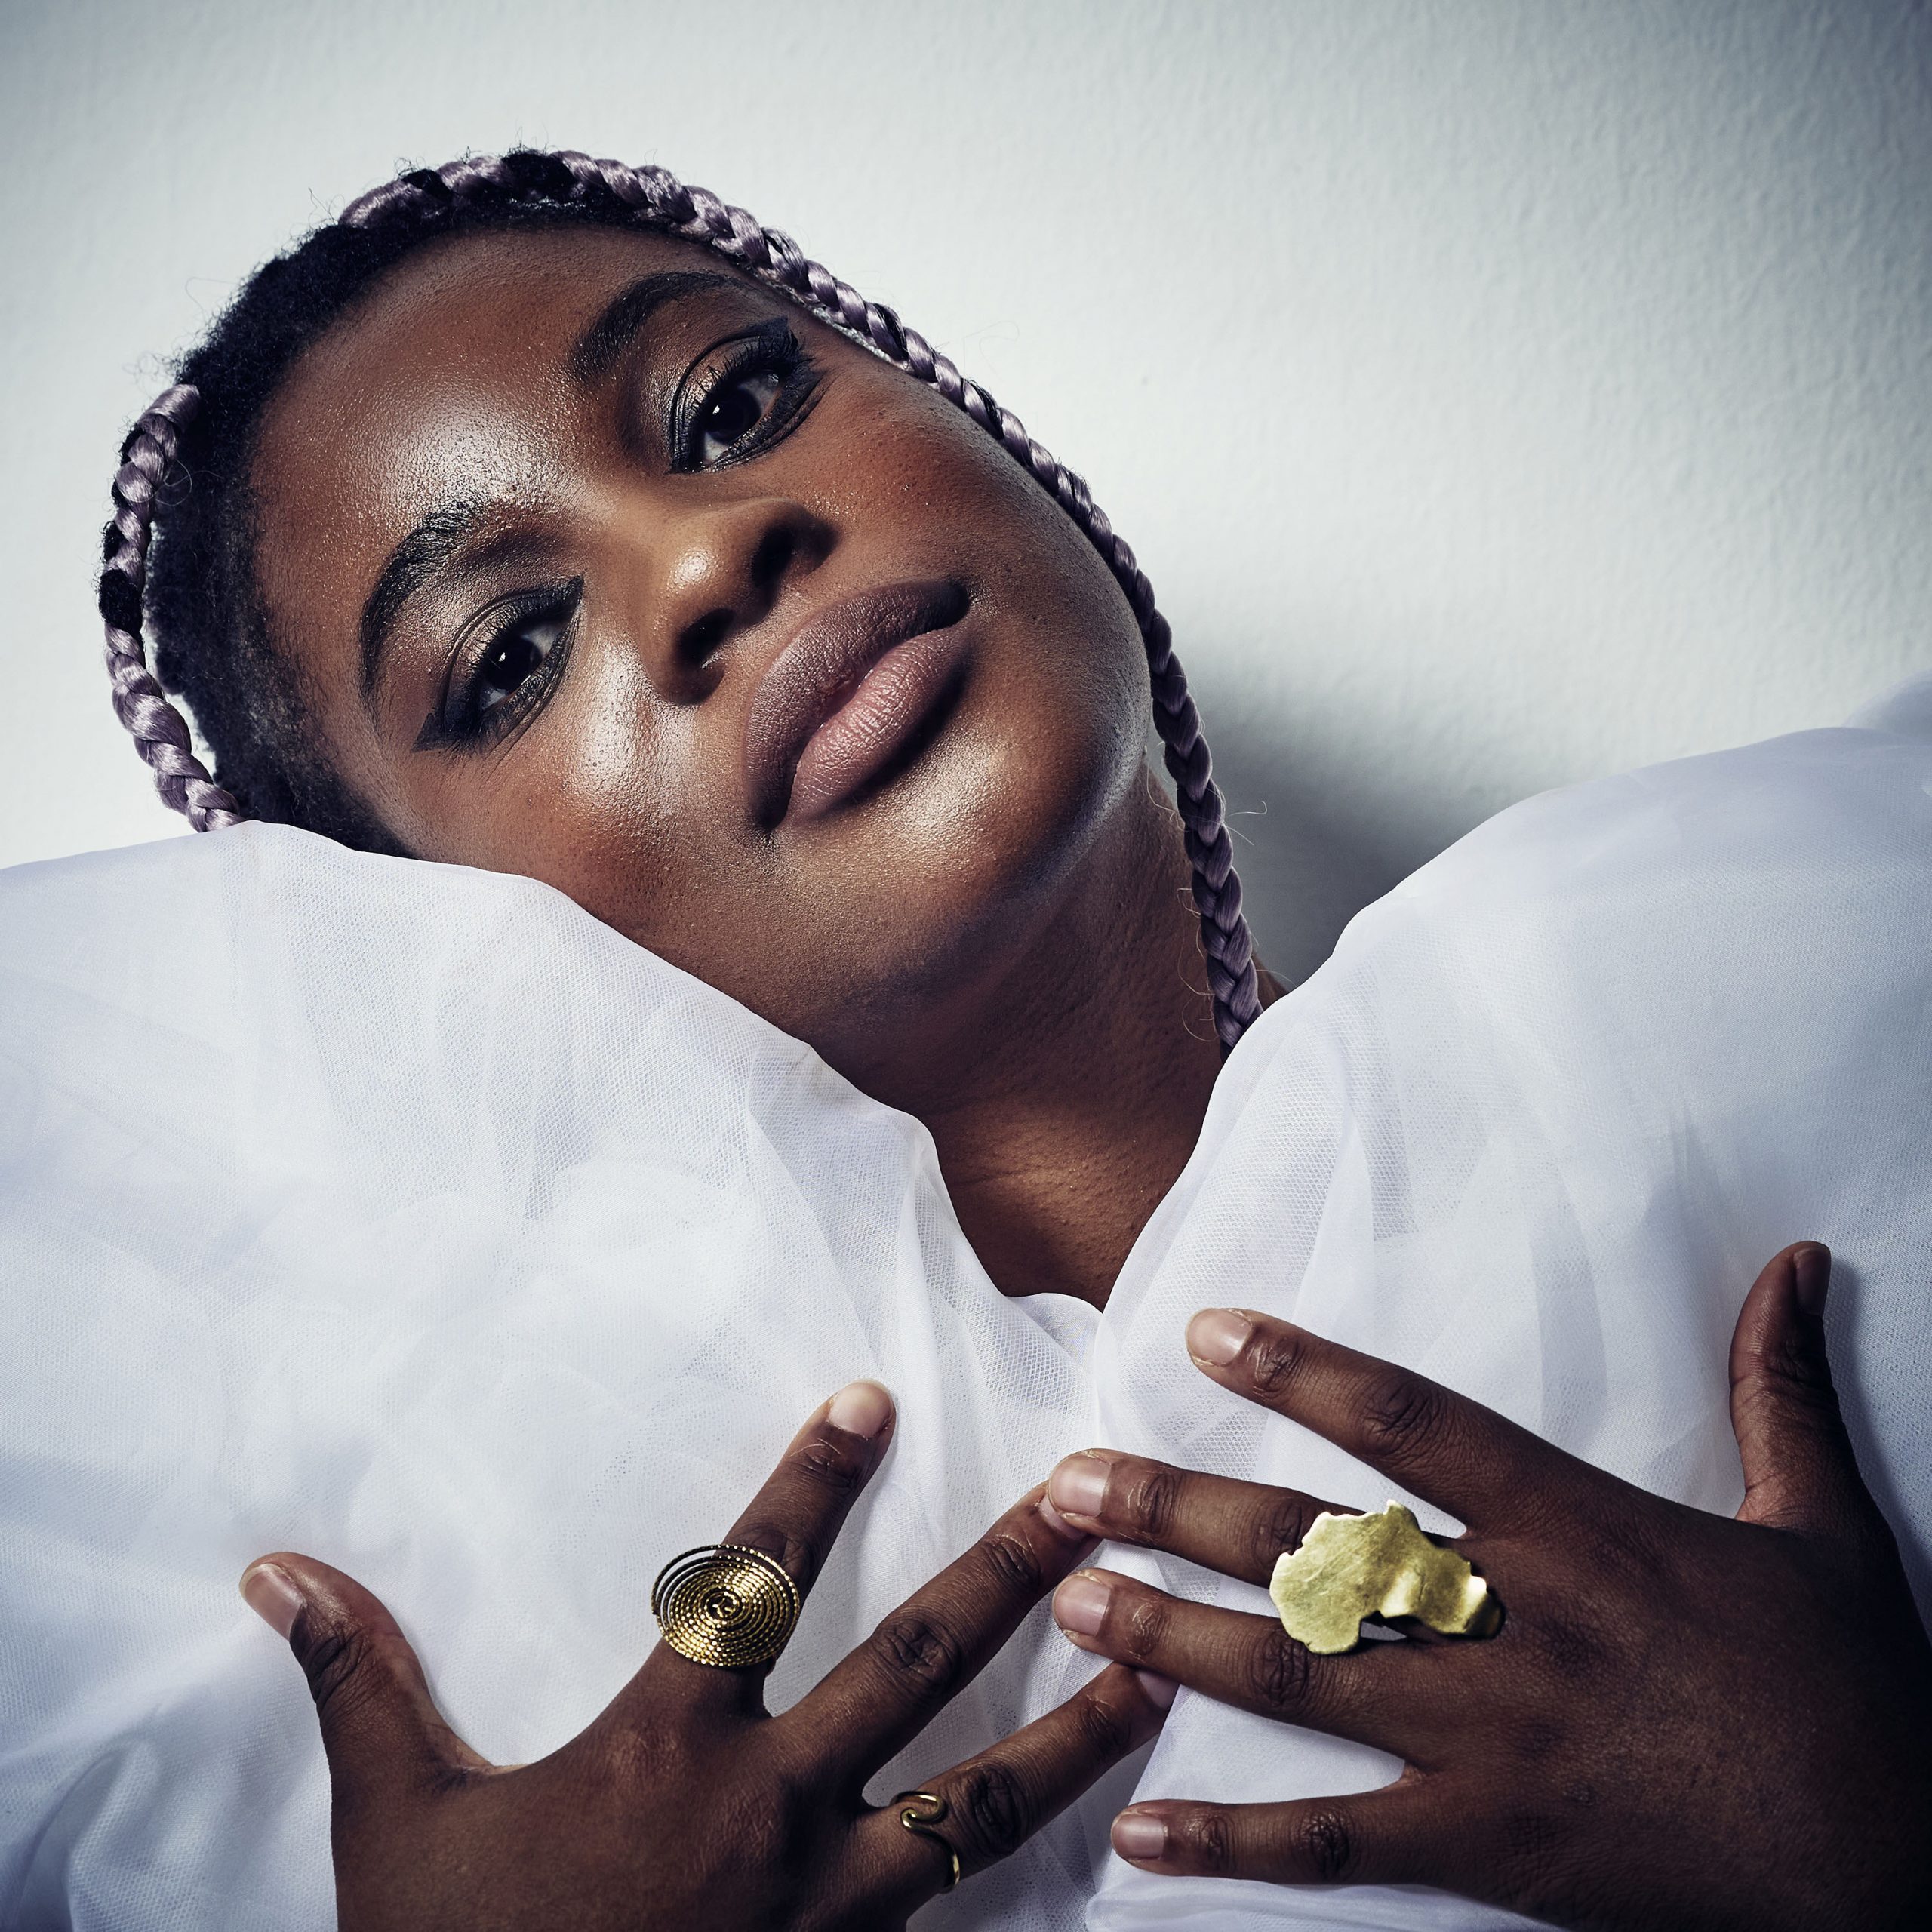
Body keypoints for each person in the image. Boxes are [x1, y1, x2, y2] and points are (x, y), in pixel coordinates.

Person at [19, 147, 1927, 1927]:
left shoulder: (1759, 972)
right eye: (510, 652)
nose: (704, 560)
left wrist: (1865, 1823)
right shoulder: (466, 1668)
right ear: (411, 947)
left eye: (733, 404)